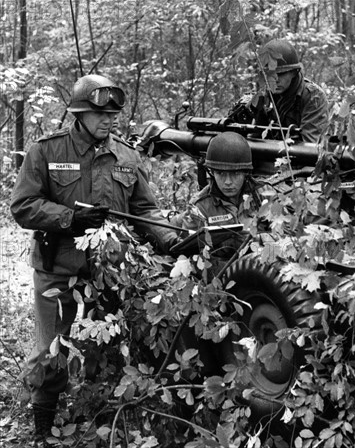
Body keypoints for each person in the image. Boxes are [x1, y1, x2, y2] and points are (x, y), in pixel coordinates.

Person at [10, 73, 179, 440]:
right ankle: (42, 426)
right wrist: (69, 218)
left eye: (113, 115)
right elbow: (23, 205)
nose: (108, 120)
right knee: (51, 352)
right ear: (79, 114)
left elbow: (146, 210)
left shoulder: (126, 155)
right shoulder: (47, 150)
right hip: (58, 268)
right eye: (100, 114)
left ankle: (100, 422)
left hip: (109, 273)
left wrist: (170, 237)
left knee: (105, 352)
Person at [171, 131, 263, 250]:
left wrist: (259, 239)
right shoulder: (200, 207)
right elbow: (193, 253)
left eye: (235, 174)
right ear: (213, 173)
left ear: (246, 173)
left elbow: (288, 234)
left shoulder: (263, 194)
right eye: (220, 173)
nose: (228, 182)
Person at [229, 39, 330, 143]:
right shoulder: (264, 94)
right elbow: (255, 136)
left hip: (296, 156)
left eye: (281, 74)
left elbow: (309, 147)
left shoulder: (313, 97)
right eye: (270, 74)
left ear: (294, 73)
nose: (275, 80)